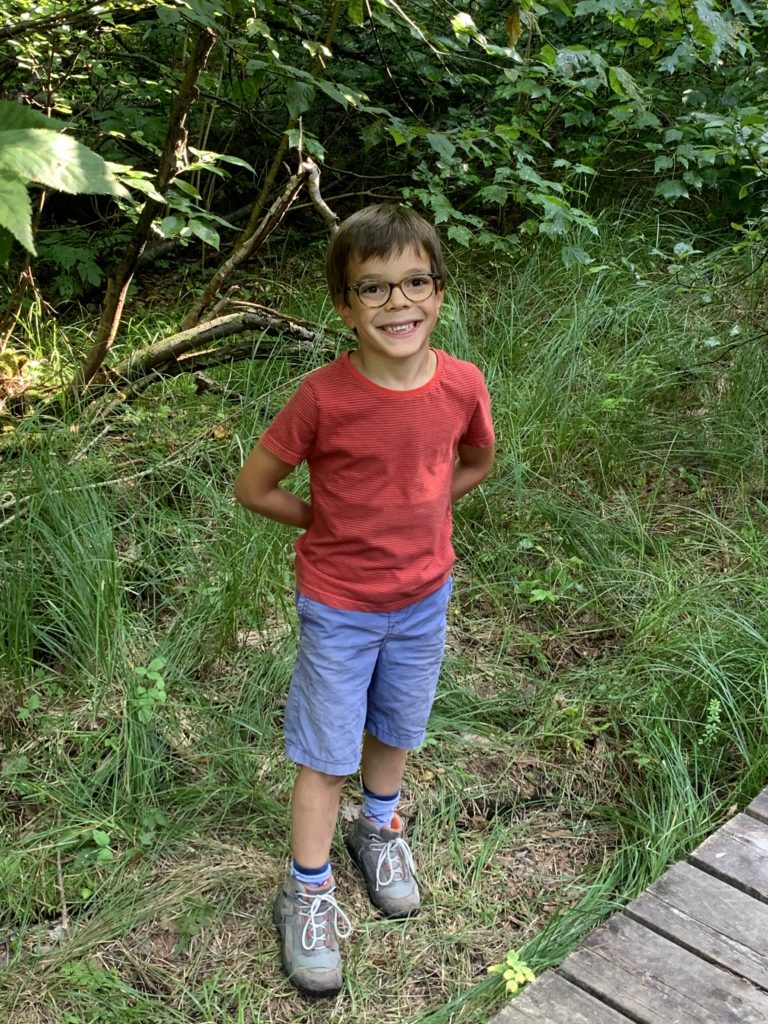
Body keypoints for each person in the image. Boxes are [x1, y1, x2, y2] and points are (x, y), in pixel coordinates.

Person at [234, 203, 495, 996]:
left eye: (415, 282)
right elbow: (255, 486)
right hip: (341, 607)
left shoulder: (462, 384)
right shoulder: (324, 397)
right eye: (373, 288)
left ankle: (377, 829)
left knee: (398, 724)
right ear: (345, 306)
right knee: (326, 752)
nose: (397, 302)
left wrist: (429, 507)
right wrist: (326, 519)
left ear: (439, 291)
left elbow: (477, 460)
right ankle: (306, 890)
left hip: (423, 597)